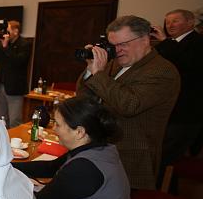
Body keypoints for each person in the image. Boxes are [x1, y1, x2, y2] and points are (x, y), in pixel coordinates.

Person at [76, 15, 180, 190]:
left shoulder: (163, 71)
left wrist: (99, 74)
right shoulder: (114, 64)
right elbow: (85, 98)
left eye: (123, 44)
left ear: (145, 40)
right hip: (100, 151)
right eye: (113, 45)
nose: (117, 51)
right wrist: (90, 68)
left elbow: (129, 105)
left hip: (131, 158)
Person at [150, 9, 203, 179]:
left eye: (175, 21)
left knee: (164, 157)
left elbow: (186, 68)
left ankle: (153, 196)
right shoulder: (170, 44)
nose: (170, 25)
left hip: (186, 112)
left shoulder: (198, 43)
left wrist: (165, 42)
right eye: (167, 22)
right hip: (168, 109)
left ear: (190, 22)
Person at [0, 20, 31, 127]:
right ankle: (3, 142)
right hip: (0, 86)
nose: (6, 34)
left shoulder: (24, 44)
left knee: (14, 121)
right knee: (1, 120)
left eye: (8, 31)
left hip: (15, 88)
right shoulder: (4, 43)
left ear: (16, 31)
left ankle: (14, 143)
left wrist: (5, 47)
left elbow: (17, 62)